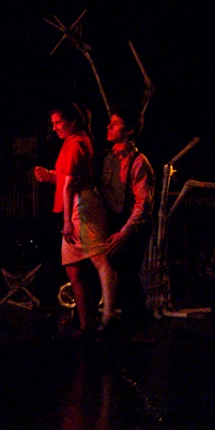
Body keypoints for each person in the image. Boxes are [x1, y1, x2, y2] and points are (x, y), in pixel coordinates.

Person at [33, 102, 117, 337]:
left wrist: (68, 221)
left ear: (73, 121)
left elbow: (70, 186)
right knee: (73, 270)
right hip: (77, 206)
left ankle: (108, 315)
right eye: (53, 123)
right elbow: (68, 178)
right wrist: (51, 176)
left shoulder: (77, 143)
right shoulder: (72, 143)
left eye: (58, 122)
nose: (55, 127)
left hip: (83, 207)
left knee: (100, 260)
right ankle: (85, 323)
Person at [98, 104, 155, 340]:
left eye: (115, 124)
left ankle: (140, 329)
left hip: (134, 224)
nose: (109, 127)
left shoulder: (139, 162)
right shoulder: (106, 158)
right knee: (111, 271)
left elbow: (142, 206)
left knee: (128, 273)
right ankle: (115, 321)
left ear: (129, 130)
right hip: (113, 220)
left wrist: (124, 233)